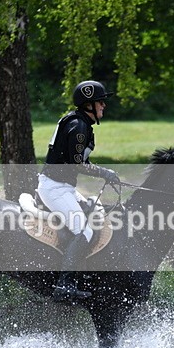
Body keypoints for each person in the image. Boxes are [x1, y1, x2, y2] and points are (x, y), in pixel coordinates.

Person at [38, 80, 121, 301]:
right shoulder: (79, 126)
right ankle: (64, 285)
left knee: (93, 213)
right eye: (100, 102)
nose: (104, 106)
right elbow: (77, 164)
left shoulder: (80, 123)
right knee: (84, 231)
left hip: (63, 186)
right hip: (55, 188)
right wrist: (105, 173)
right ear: (88, 104)